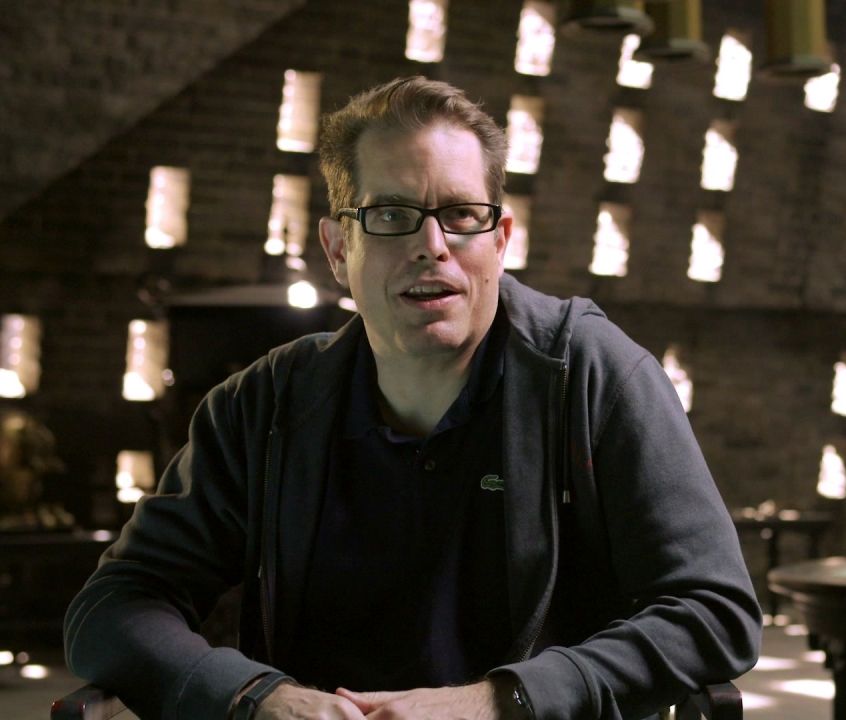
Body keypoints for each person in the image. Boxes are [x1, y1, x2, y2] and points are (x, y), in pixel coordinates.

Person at [64, 76, 761, 720]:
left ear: (501, 240)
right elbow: (117, 603)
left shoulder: (593, 375)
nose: (433, 246)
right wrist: (255, 698)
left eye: (461, 214)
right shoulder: (264, 405)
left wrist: (497, 703)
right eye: (392, 214)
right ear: (338, 250)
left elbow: (714, 610)